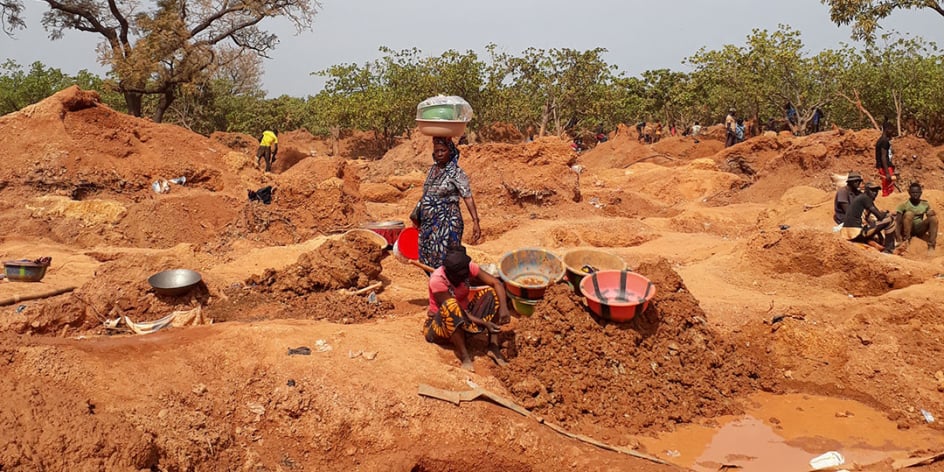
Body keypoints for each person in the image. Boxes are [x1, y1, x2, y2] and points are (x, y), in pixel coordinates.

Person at [423, 247, 510, 372]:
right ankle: (465, 357)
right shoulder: (437, 280)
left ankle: (493, 346)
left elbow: (496, 283)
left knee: (491, 293)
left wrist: (504, 308)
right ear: (449, 273)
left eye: (466, 275)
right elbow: (456, 310)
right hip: (441, 327)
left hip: (465, 319)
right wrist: (484, 323)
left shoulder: (466, 267)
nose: (465, 279)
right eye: (461, 277)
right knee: (451, 305)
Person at [410, 136, 482, 270]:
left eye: (443, 150)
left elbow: (467, 196)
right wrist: (417, 215)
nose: (439, 153)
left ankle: (450, 287)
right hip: (429, 223)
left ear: (450, 151)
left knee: (448, 259)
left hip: (448, 222)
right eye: (436, 151)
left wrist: (475, 221)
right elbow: (427, 193)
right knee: (427, 255)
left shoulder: (456, 172)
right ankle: (436, 285)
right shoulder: (432, 170)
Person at [840, 182, 897, 253]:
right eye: (872, 190)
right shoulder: (866, 198)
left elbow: (872, 220)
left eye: (876, 191)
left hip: (847, 233)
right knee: (890, 219)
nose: (875, 193)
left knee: (875, 224)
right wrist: (887, 212)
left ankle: (879, 244)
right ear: (866, 190)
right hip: (857, 232)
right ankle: (889, 249)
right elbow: (880, 217)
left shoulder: (860, 199)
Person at [896, 182, 938, 255]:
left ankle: (931, 246)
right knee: (909, 214)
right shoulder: (904, 205)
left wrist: (932, 213)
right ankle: (907, 241)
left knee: (933, 219)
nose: (915, 194)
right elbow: (898, 222)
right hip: (908, 229)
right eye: (913, 192)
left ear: (921, 193)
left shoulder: (925, 204)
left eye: (917, 192)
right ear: (909, 193)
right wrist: (898, 238)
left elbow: (930, 216)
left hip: (919, 229)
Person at [875, 126, 897, 197]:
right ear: (887, 129)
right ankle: (887, 201)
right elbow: (883, 156)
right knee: (889, 186)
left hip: (883, 166)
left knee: (886, 186)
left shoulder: (880, 140)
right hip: (885, 166)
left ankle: (886, 200)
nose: (893, 132)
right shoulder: (884, 141)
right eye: (892, 130)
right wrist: (887, 172)